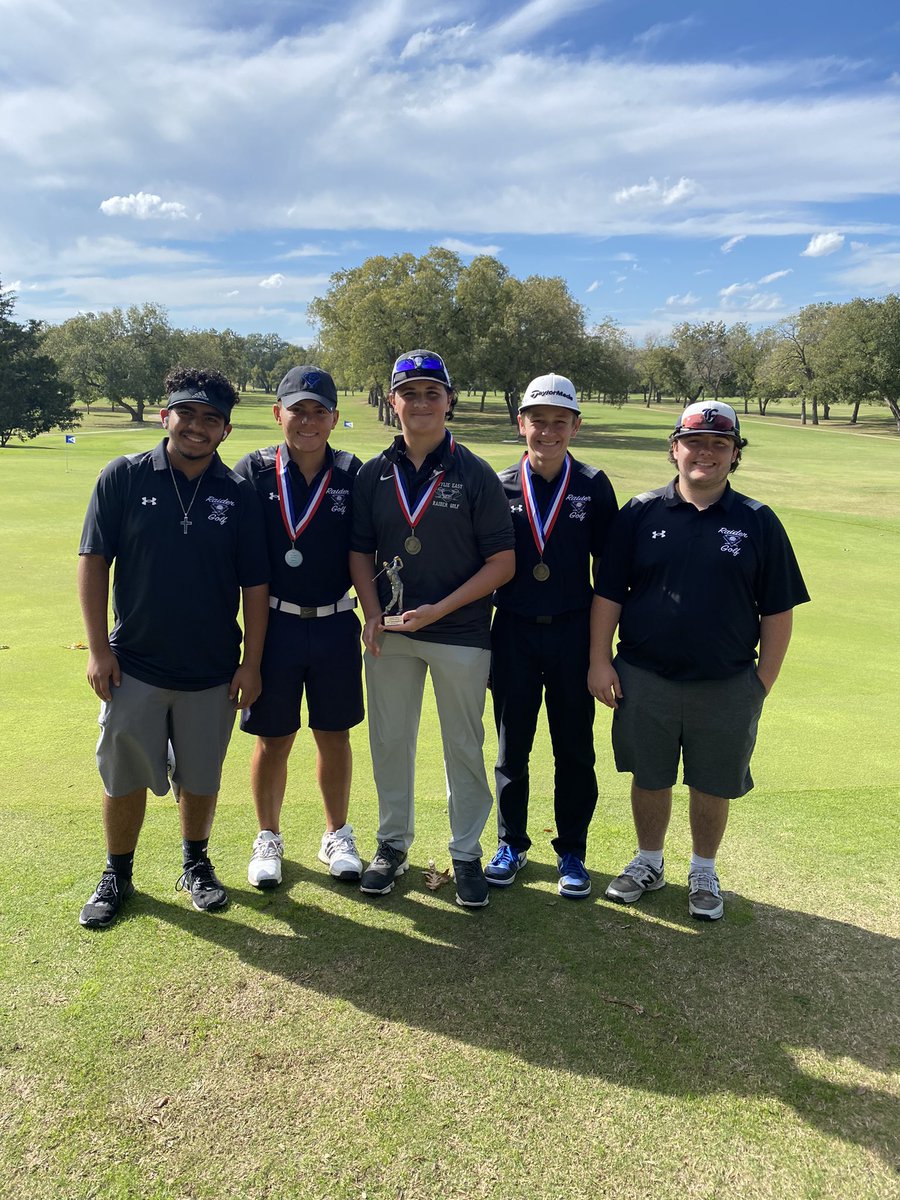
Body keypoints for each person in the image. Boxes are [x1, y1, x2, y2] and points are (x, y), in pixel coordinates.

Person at [589, 400, 810, 920]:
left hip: (727, 682)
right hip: (644, 676)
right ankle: (649, 861)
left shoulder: (758, 521)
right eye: (694, 442)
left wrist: (761, 684)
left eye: (719, 444)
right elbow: (609, 595)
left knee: (712, 781)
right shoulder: (640, 513)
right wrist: (600, 660)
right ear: (674, 449)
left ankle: (704, 869)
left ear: (734, 455)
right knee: (649, 774)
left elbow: (778, 609)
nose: (705, 453)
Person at [78, 367, 269, 929]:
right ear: (167, 415)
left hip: (210, 671)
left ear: (226, 431)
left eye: (211, 419)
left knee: (202, 777)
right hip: (133, 664)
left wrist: (250, 664)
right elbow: (93, 562)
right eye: (187, 413)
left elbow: (254, 585)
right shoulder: (124, 477)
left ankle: (196, 862)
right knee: (125, 775)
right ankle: (118, 872)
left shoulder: (237, 493)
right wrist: (97, 650)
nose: (197, 426)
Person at [349, 350, 515, 908]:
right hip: (391, 633)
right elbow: (359, 551)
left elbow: (502, 564)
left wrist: (436, 612)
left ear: (449, 400)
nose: (421, 403)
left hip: (460, 632)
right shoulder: (374, 473)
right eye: (409, 393)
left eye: (432, 393)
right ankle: (392, 846)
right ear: (392, 400)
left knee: (463, 748)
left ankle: (466, 853)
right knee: (390, 741)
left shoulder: (475, 473)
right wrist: (372, 613)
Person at [487, 373, 618, 898]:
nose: (547, 431)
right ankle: (511, 843)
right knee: (510, 748)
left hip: (571, 633)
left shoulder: (592, 484)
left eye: (558, 422)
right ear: (521, 424)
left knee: (574, 750)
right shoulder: (498, 486)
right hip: (513, 631)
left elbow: (609, 574)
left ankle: (572, 852)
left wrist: (599, 653)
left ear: (575, 426)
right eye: (537, 421)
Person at [233, 366, 364, 888]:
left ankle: (337, 833)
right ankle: (269, 836)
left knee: (334, 734)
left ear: (333, 417)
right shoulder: (252, 471)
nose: (307, 421)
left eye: (318, 411)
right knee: (273, 737)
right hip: (274, 626)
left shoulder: (356, 473)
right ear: (277, 414)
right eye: (297, 410)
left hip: (335, 625)